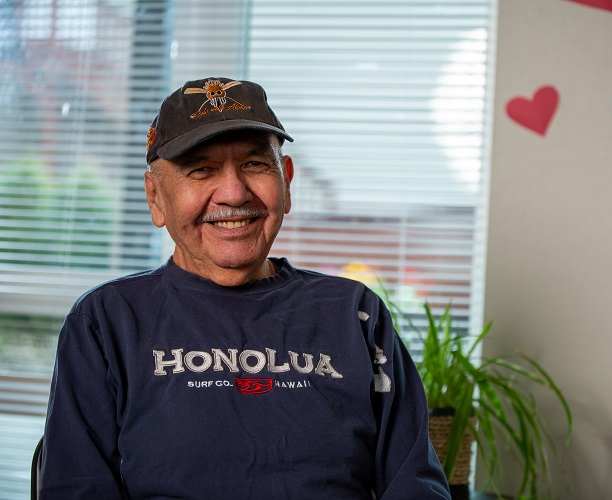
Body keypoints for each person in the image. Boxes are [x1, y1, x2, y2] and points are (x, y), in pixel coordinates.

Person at [39, 77, 451, 499]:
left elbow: (414, 487)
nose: (234, 192)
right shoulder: (106, 322)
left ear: (286, 182)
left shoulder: (355, 313)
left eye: (255, 164)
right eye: (201, 169)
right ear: (156, 198)